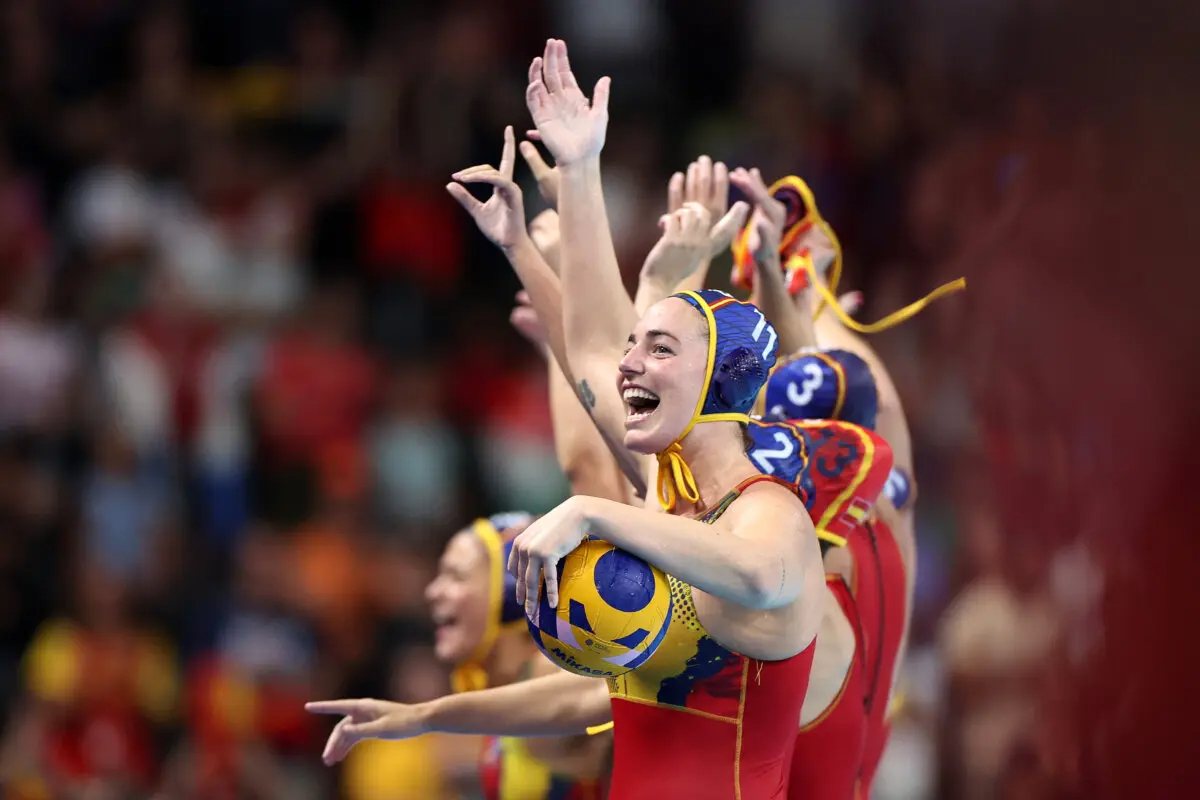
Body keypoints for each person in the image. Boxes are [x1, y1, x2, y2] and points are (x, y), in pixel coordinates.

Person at [308, 39, 826, 800]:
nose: (629, 364)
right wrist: (579, 175)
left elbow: (756, 574)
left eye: (658, 349)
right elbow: (587, 347)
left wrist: (592, 512)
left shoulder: (771, 518)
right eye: (636, 349)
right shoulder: (668, 493)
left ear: (720, 378)